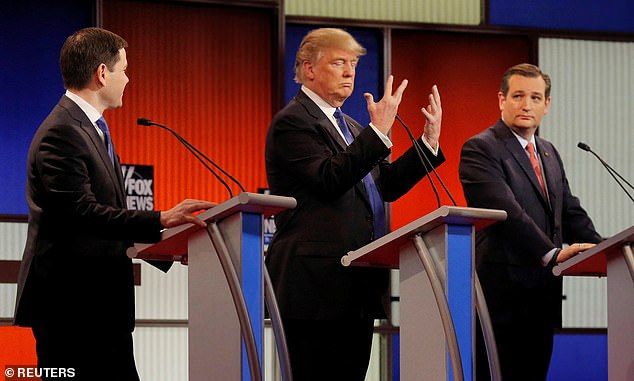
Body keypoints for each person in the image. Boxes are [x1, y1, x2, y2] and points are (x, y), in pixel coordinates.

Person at [13, 27, 215, 380]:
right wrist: (162, 218)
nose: (128, 78)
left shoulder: (92, 129)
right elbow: (81, 214)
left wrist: (163, 249)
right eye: (123, 69)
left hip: (100, 309)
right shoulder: (63, 131)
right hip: (73, 309)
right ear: (102, 74)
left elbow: (103, 222)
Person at [265, 28, 444, 381]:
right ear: (309, 68)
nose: (349, 72)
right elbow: (329, 179)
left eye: (353, 64)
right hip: (314, 289)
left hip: (355, 285)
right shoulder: (293, 122)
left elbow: (386, 186)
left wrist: (428, 142)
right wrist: (377, 132)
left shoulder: (347, 125)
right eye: (339, 62)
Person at [459, 63, 602, 381]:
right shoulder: (481, 149)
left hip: (542, 296)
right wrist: (552, 253)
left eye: (536, 97)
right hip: (501, 299)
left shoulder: (549, 152)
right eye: (519, 96)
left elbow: (570, 212)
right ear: (501, 99)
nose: (527, 105)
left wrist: (606, 251)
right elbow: (507, 212)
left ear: (547, 105)